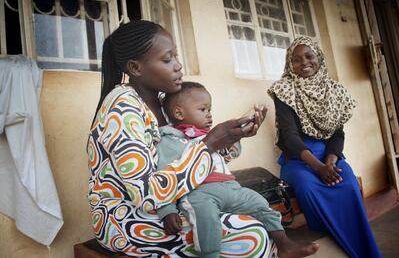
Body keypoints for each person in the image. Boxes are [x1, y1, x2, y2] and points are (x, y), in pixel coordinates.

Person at [87, 20, 316, 257]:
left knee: (253, 216)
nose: (178, 66)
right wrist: (209, 144)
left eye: (176, 57)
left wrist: (232, 137)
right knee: (251, 235)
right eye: (167, 60)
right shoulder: (122, 109)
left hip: (184, 199)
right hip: (127, 217)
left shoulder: (167, 104)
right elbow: (146, 194)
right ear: (135, 68)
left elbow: (194, 157)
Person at [156, 81, 320, 258]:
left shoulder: (209, 135)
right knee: (206, 220)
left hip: (231, 187)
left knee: (260, 204)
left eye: (210, 109)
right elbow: (165, 177)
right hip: (200, 193)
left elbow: (229, 154)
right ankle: (209, 255)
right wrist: (168, 210)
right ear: (179, 113)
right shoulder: (170, 141)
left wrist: (239, 134)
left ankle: (284, 244)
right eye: (203, 110)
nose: (209, 115)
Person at [267, 36, 382, 258]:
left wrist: (330, 161)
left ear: (319, 57)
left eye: (309, 56)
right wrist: (318, 168)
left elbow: (337, 134)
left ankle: (363, 250)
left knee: (347, 184)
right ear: (290, 64)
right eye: (296, 60)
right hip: (299, 160)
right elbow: (290, 136)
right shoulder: (284, 90)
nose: (304, 63)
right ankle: (335, 242)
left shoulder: (335, 92)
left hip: (330, 156)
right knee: (309, 189)